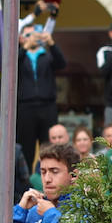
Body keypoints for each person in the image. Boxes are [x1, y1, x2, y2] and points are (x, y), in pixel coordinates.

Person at [12, 142, 83, 223]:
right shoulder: (34, 212)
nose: (47, 179)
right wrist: (20, 211)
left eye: (54, 171)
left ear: (74, 175)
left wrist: (50, 214)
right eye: (43, 172)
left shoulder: (85, 208)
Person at [16, 22, 67, 165]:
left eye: (34, 34)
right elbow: (11, 66)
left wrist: (52, 43)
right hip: (25, 107)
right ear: (21, 38)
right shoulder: (20, 55)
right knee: (26, 147)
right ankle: (25, 180)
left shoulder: (46, 55)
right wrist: (25, 48)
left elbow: (62, 63)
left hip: (47, 106)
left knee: (49, 146)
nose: (31, 38)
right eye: (27, 35)